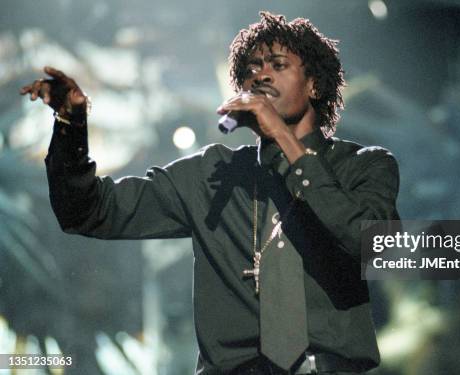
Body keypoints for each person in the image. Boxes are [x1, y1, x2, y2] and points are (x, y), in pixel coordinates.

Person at [21, 11, 400, 375]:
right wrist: (72, 125)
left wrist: (285, 140)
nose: (261, 75)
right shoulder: (210, 174)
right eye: (251, 70)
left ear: (314, 84)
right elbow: (88, 212)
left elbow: (377, 248)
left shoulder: (364, 166)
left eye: (278, 65)